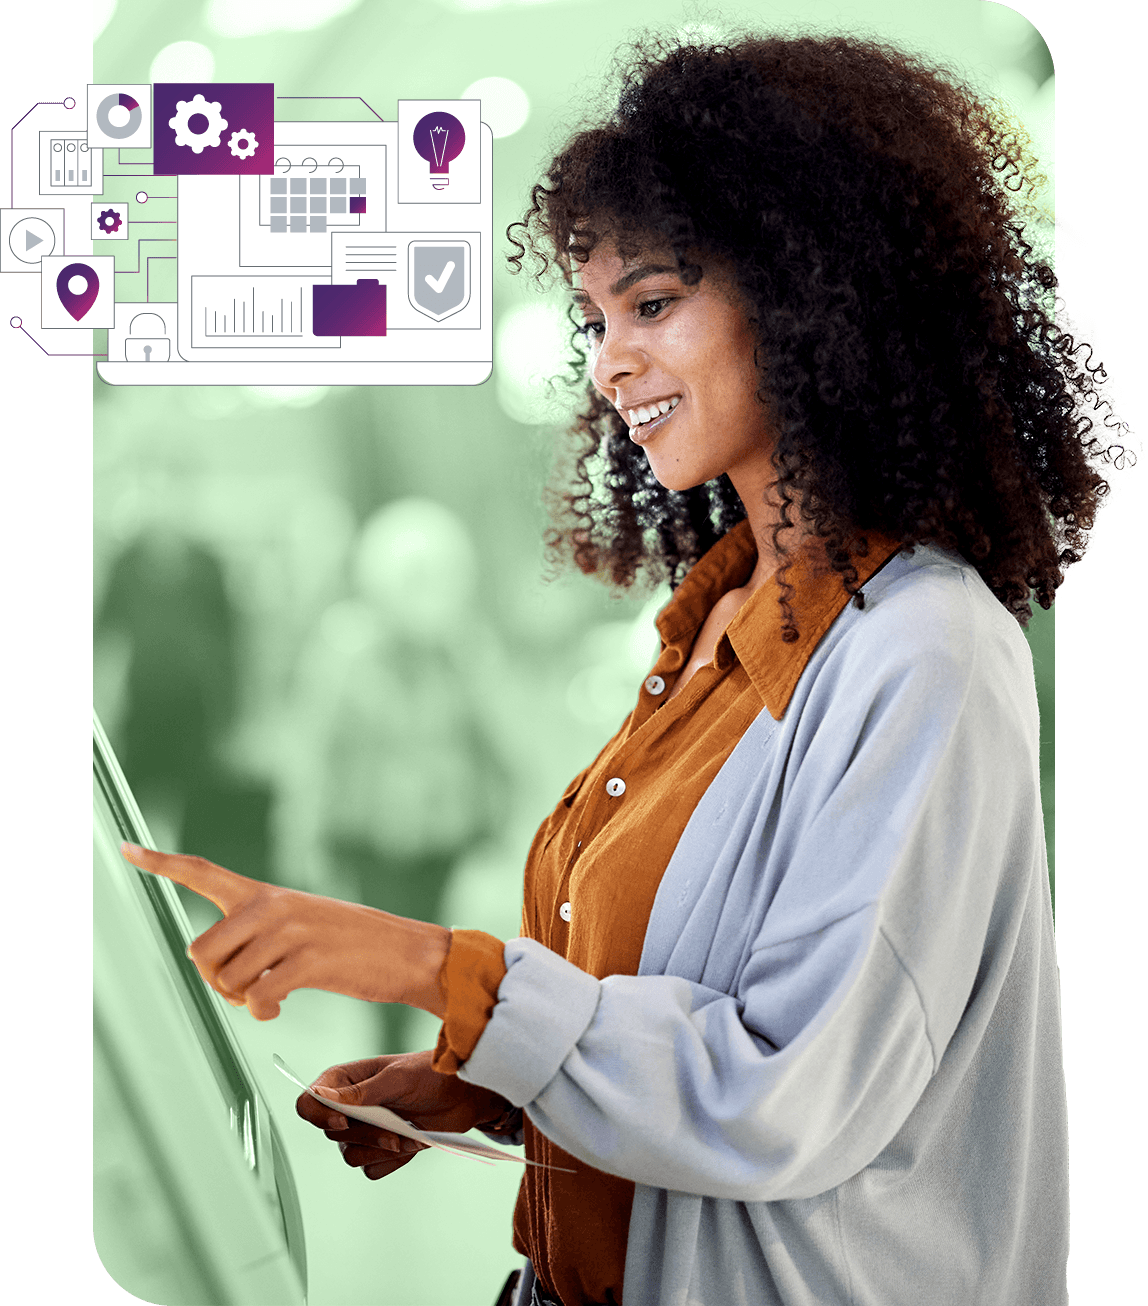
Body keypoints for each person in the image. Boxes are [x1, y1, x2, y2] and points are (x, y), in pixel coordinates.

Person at [124, 33, 1137, 1306]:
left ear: (811, 291)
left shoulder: (924, 652)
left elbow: (784, 1091)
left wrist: (433, 974)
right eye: (595, 319)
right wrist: (498, 1079)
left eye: (652, 305)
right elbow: (681, 1003)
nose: (607, 361)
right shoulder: (715, 629)